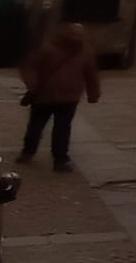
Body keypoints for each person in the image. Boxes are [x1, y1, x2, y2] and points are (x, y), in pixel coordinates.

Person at [17, 21, 100, 172]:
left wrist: (93, 92)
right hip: (49, 95)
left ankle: (52, 157)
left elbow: (90, 74)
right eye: (75, 34)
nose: (76, 37)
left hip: (64, 97)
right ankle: (40, 154)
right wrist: (33, 84)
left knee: (54, 127)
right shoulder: (49, 48)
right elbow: (30, 66)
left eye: (79, 34)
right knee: (41, 126)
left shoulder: (83, 51)